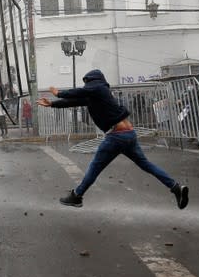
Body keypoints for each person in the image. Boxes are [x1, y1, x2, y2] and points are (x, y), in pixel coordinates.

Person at [37, 69, 189, 209]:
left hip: (116, 136)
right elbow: (73, 101)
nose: (86, 86)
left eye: (87, 83)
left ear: (93, 81)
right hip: (128, 134)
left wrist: (59, 93)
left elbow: (78, 92)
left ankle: (77, 196)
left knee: (95, 168)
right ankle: (176, 187)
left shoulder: (99, 88)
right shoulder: (96, 95)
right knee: (146, 165)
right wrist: (52, 104)